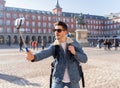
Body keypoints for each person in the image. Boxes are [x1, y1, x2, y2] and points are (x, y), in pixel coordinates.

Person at [26, 21, 88, 88]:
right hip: (58, 79)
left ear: (65, 32)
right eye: (55, 30)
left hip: (73, 79)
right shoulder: (55, 45)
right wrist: (33, 57)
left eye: (59, 30)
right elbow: (45, 53)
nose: (56, 32)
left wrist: (75, 53)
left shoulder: (74, 43)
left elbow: (84, 59)